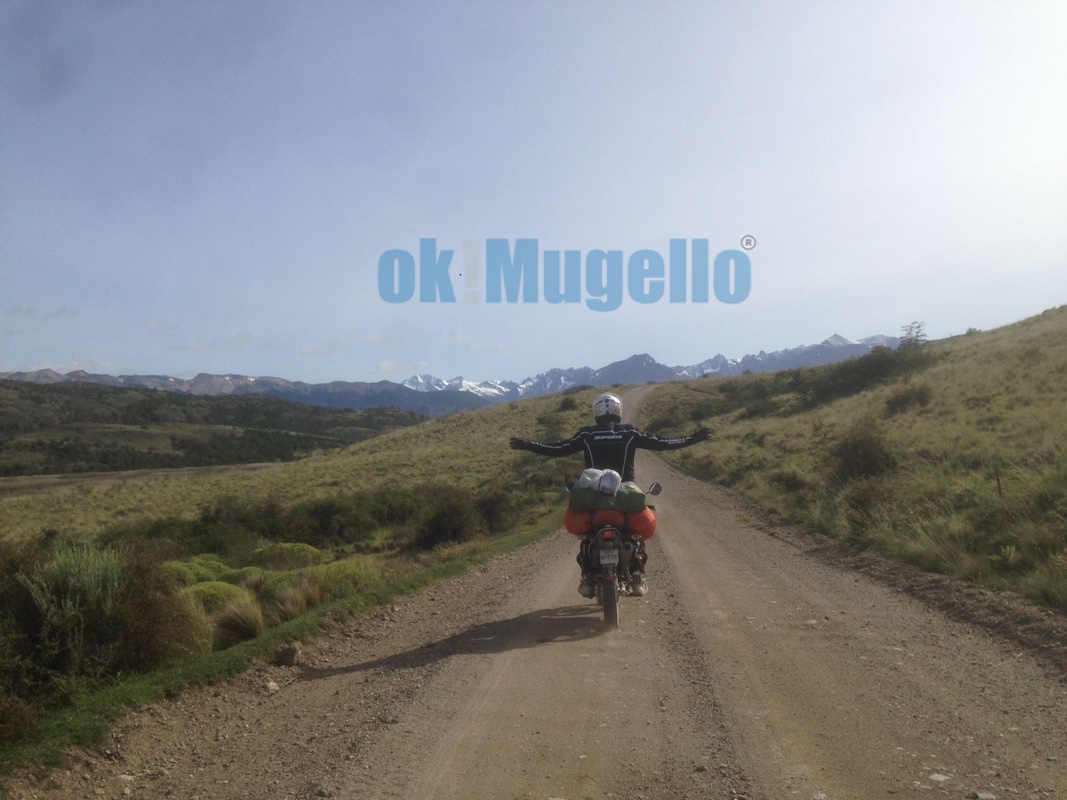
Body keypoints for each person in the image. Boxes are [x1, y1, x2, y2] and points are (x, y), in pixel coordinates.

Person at [510, 392, 708, 597]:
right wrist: (692, 439)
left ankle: (587, 577)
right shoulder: (629, 434)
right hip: (626, 490)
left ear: (596, 414)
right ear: (618, 412)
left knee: (588, 537)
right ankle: (638, 576)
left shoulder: (586, 436)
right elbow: (661, 443)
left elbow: (559, 448)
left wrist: (528, 445)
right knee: (637, 534)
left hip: (594, 494)